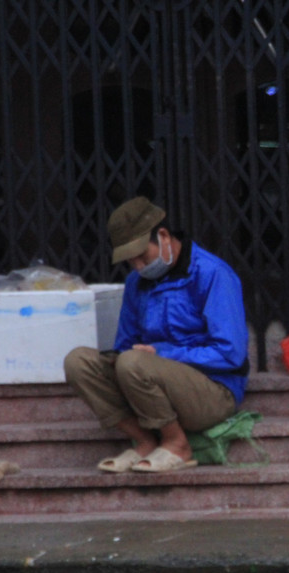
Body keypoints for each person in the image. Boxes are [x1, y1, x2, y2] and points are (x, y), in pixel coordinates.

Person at [63, 196, 249, 473]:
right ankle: (145, 441)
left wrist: (162, 354)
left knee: (133, 362)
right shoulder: (136, 283)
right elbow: (125, 345)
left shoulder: (212, 273)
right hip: (149, 386)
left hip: (213, 391)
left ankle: (178, 445)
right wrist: (119, 360)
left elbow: (230, 353)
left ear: (163, 236)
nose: (138, 266)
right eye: (131, 261)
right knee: (78, 361)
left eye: (142, 255)